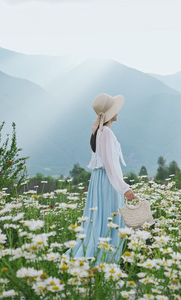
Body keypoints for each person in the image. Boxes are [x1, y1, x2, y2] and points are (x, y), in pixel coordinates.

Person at [65, 93, 136, 264]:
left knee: (98, 220)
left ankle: (97, 257)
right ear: (110, 113)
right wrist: (124, 188)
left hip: (99, 180)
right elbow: (110, 165)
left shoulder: (99, 132)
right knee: (109, 219)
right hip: (107, 181)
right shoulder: (106, 133)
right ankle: (104, 260)